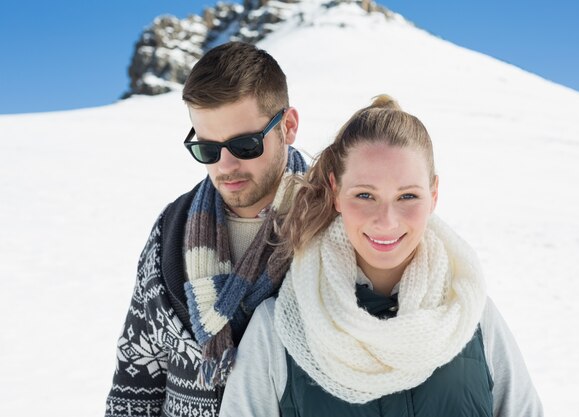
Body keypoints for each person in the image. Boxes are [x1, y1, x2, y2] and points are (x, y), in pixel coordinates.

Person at [219, 95, 544, 416]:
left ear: (433, 196)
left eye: (407, 196)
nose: (386, 220)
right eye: (365, 195)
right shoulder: (280, 326)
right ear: (336, 193)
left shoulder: (471, 314)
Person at [104, 42, 306, 417]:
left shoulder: (328, 225)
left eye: (245, 145)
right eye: (208, 149)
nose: (225, 167)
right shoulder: (171, 230)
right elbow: (135, 381)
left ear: (288, 127)